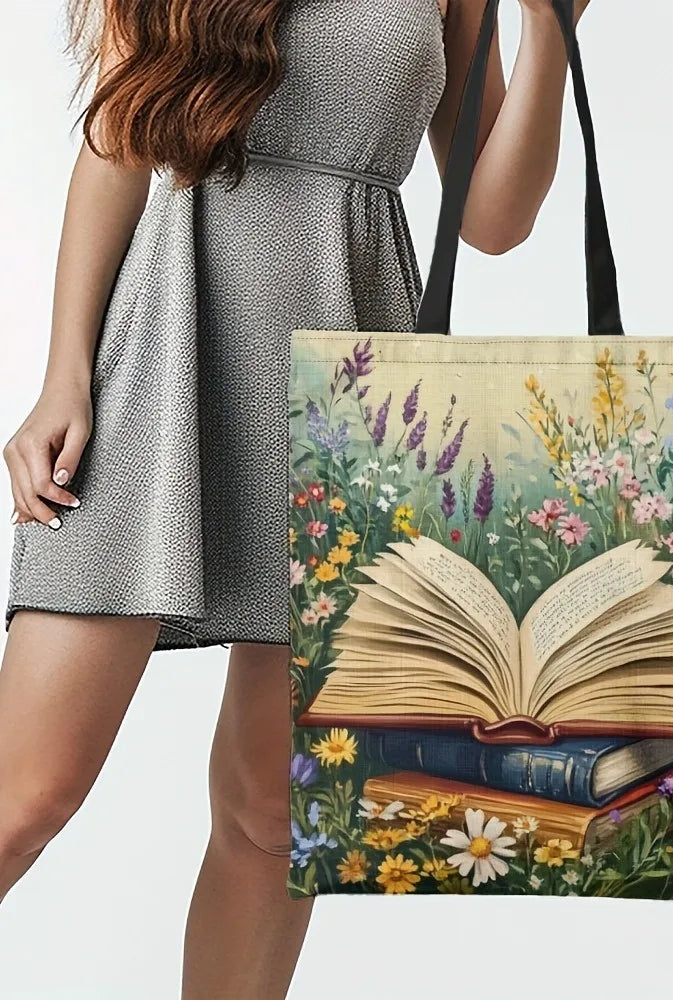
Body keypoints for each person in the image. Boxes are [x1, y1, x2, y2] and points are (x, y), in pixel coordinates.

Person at [0, 0, 590, 995]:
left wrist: (552, 34)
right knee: (28, 795)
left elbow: (491, 217)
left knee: (276, 814)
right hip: (168, 355)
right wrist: (65, 375)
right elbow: (114, 144)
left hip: (360, 374)